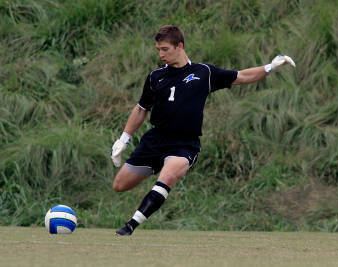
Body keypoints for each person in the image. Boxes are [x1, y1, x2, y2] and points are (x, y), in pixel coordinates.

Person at [111, 25, 295, 236]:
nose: (161, 54)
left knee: (169, 175)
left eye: (165, 49)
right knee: (119, 185)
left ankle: (130, 226)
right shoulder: (155, 77)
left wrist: (270, 67)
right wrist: (123, 139)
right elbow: (141, 108)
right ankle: (157, 165)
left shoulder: (204, 72)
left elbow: (242, 76)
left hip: (184, 144)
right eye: (158, 50)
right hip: (155, 140)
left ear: (179, 46)